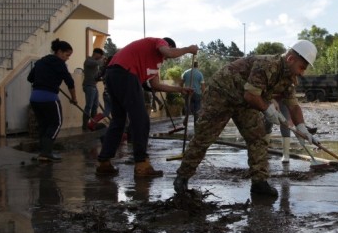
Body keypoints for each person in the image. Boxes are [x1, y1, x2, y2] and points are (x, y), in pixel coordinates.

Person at [173, 40, 319, 197]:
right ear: (291, 59)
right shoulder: (267, 65)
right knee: (204, 137)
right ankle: (182, 178)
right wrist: (268, 109)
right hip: (222, 94)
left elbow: (293, 105)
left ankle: (259, 183)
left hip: (245, 101)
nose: (302, 72)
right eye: (302, 67)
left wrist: (302, 128)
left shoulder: (289, 77)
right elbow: (251, 95)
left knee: (258, 138)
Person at [95, 37, 198, 177]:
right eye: (169, 52)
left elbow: (156, 85)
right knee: (141, 120)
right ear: (169, 46)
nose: (167, 59)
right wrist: (188, 49)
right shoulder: (158, 42)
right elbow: (168, 52)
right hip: (126, 73)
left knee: (118, 120)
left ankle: (104, 162)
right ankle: (142, 164)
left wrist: (180, 90)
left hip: (113, 74)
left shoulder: (155, 64)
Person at [27, 38, 78, 162]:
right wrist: (74, 99)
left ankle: (43, 153)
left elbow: (30, 78)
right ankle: (46, 153)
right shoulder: (60, 64)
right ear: (59, 52)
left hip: (35, 98)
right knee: (56, 123)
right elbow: (70, 82)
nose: (67, 58)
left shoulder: (41, 61)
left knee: (44, 125)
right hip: (49, 98)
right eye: (67, 55)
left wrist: (44, 79)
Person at [82, 48, 105, 131]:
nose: (101, 57)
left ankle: (92, 124)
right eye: (100, 55)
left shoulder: (95, 64)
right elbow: (95, 63)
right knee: (89, 106)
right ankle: (85, 126)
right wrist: (102, 60)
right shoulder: (89, 60)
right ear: (96, 53)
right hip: (89, 86)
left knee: (95, 106)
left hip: (93, 86)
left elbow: (96, 75)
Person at [180, 61, 205, 127]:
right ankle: (196, 123)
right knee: (197, 109)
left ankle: (186, 117)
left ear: (191, 65)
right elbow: (202, 86)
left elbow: (181, 83)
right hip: (197, 93)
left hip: (188, 92)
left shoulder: (185, 72)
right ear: (197, 66)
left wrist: (181, 91)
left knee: (188, 106)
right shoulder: (199, 74)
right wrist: (204, 94)